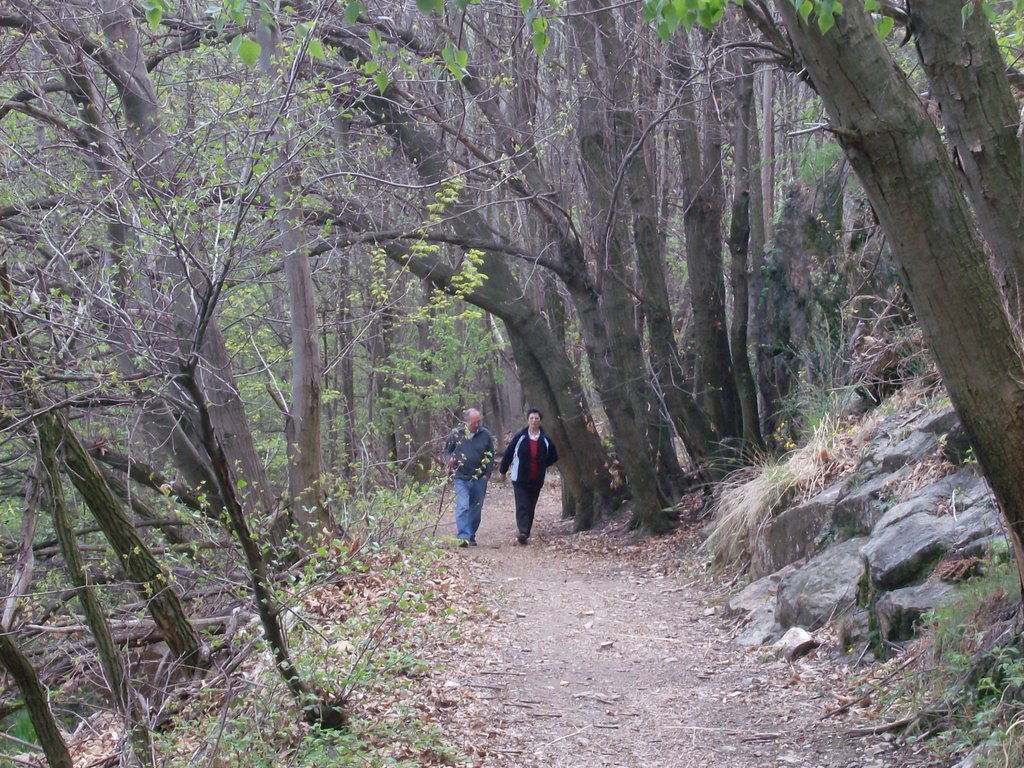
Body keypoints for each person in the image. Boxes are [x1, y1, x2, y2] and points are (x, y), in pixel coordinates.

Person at [499, 408, 559, 545]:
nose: (534, 421)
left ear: (540, 421)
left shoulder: (545, 439)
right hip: (519, 478)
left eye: (536, 418)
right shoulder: (520, 437)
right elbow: (508, 453)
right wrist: (503, 471)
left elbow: (553, 456)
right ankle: (522, 531)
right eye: (531, 418)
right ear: (528, 420)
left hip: (536, 478)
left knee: (531, 505)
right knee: (522, 504)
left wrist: (542, 464)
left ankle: (526, 531)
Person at [442, 407, 495, 547]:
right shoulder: (456, 434)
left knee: (476, 509)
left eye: (479, 421)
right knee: (463, 506)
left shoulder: (485, 435)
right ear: (466, 421)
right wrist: (449, 460)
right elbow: (447, 451)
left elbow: (490, 455)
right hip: (461, 476)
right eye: (474, 422)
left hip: (479, 477)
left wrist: (487, 475)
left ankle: (471, 535)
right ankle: (463, 537)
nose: (477, 425)